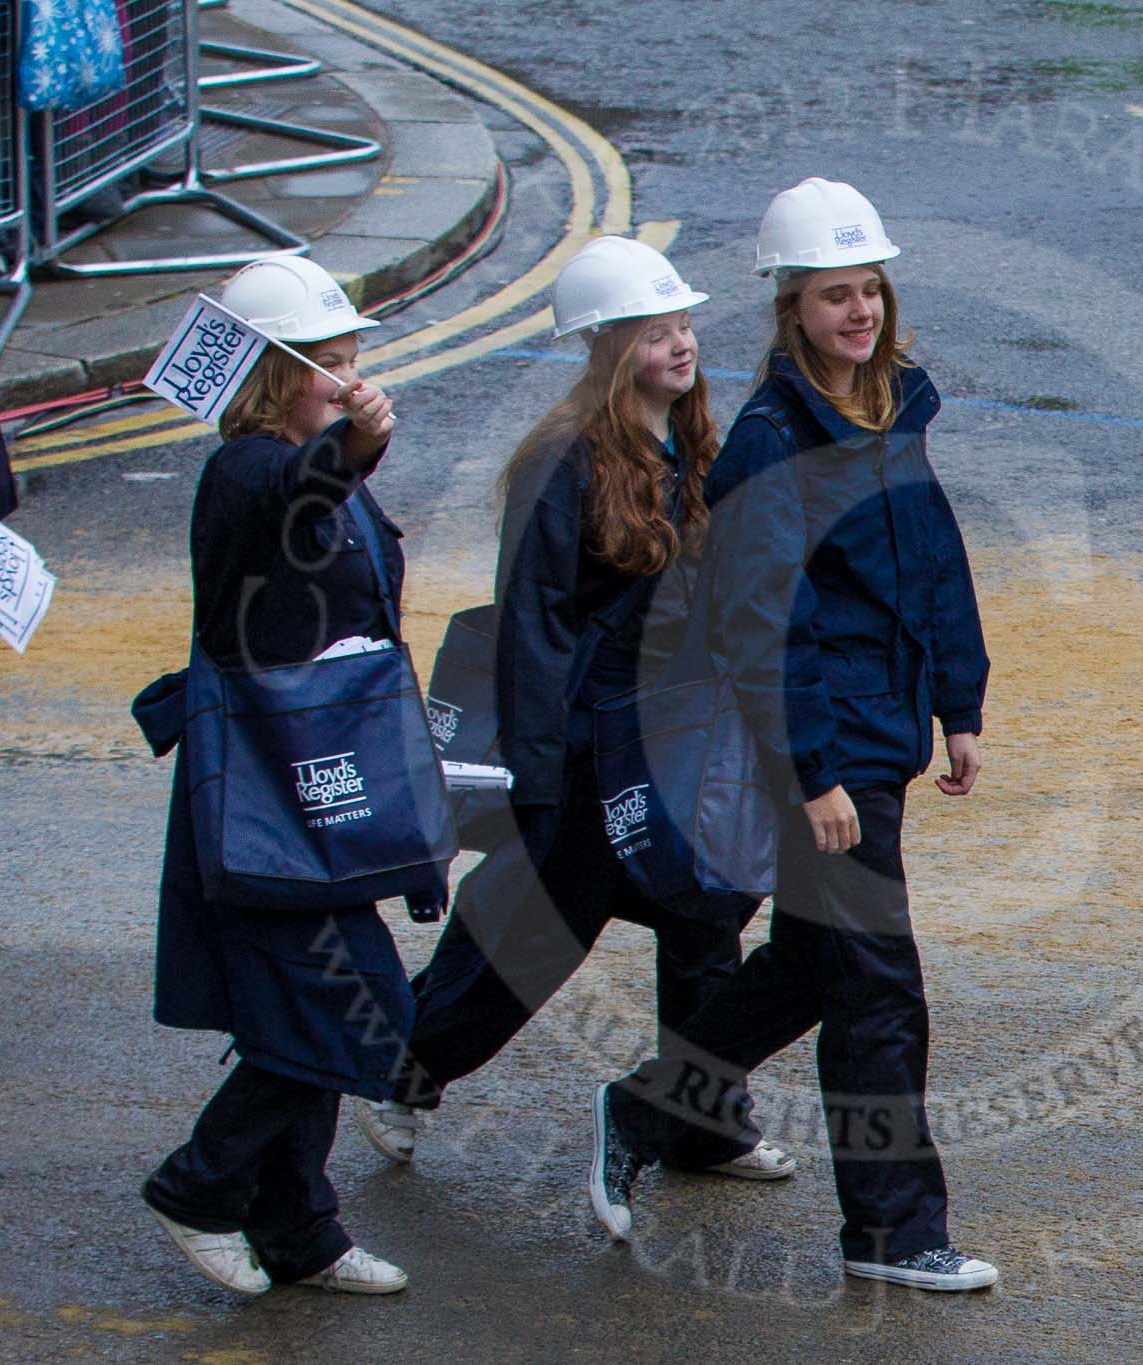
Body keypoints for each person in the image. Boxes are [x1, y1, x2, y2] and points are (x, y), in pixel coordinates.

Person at [589, 179, 998, 1292]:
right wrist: (812, 774)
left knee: (814, 966)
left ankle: (646, 1105)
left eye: (869, 289)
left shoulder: (893, 403)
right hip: (823, 749)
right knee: (877, 987)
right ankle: (892, 1234)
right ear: (791, 309)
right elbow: (763, 627)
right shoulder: (772, 443)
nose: (858, 312)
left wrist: (958, 701)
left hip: (882, 729)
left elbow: (933, 563)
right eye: (833, 295)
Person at [357, 236, 794, 1183]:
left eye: (683, 324)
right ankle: (405, 1069)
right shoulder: (562, 458)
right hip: (593, 748)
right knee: (528, 938)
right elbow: (533, 626)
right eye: (654, 332)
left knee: (707, 916)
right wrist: (542, 770)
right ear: (606, 348)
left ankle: (702, 1120)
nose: (681, 344)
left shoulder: (693, 441)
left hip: (675, 737)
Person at [138, 255, 415, 1297]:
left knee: (305, 1008)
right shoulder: (250, 467)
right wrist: (357, 443)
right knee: (354, 1000)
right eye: (327, 365)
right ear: (270, 374)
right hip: (263, 784)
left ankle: (299, 1226)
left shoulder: (300, 462)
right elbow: (295, 495)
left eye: (354, 362)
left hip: (315, 778)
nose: (348, 380)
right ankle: (198, 1187)